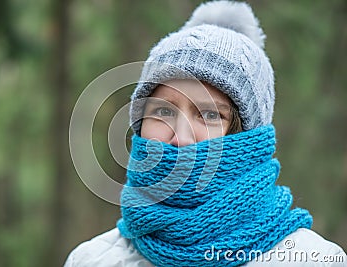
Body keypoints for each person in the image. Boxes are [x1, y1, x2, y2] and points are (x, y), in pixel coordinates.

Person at [65, 1, 347, 266]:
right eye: (163, 112)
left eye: (210, 115)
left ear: (249, 140)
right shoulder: (91, 260)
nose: (181, 138)